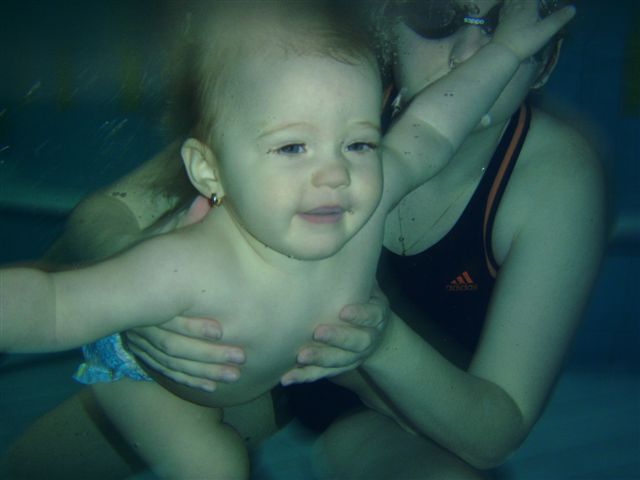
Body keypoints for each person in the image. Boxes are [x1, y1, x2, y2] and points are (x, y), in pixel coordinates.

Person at [0, 1, 589, 479]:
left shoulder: (364, 181)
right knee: (215, 467)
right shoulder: (182, 265)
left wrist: (511, 50)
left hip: (286, 379)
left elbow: (435, 125)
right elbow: (52, 305)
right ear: (211, 172)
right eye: (291, 148)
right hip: (154, 382)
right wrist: (132, 303)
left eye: (358, 144)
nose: (333, 173)